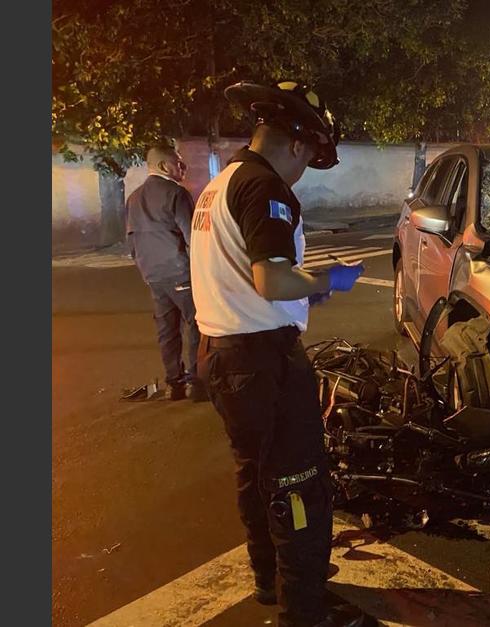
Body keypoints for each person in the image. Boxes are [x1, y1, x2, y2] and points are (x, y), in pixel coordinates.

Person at [191, 80, 364, 626]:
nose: (305, 170)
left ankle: (269, 579)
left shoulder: (219, 185)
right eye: (310, 158)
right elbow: (270, 280)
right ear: (295, 145)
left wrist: (303, 283)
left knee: (256, 474)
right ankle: (305, 612)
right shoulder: (266, 189)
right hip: (262, 361)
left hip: (222, 355)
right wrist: (329, 281)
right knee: (299, 485)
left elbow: (245, 276)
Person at [125, 145, 205, 401]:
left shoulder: (134, 198)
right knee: (196, 325)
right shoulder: (177, 194)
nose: (183, 167)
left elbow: (131, 241)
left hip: (152, 274)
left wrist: (144, 267)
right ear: (162, 166)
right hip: (180, 272)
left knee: (166, 330)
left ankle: (174, 384)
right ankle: (196, 383)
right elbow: (193, 238)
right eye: (178, 163)